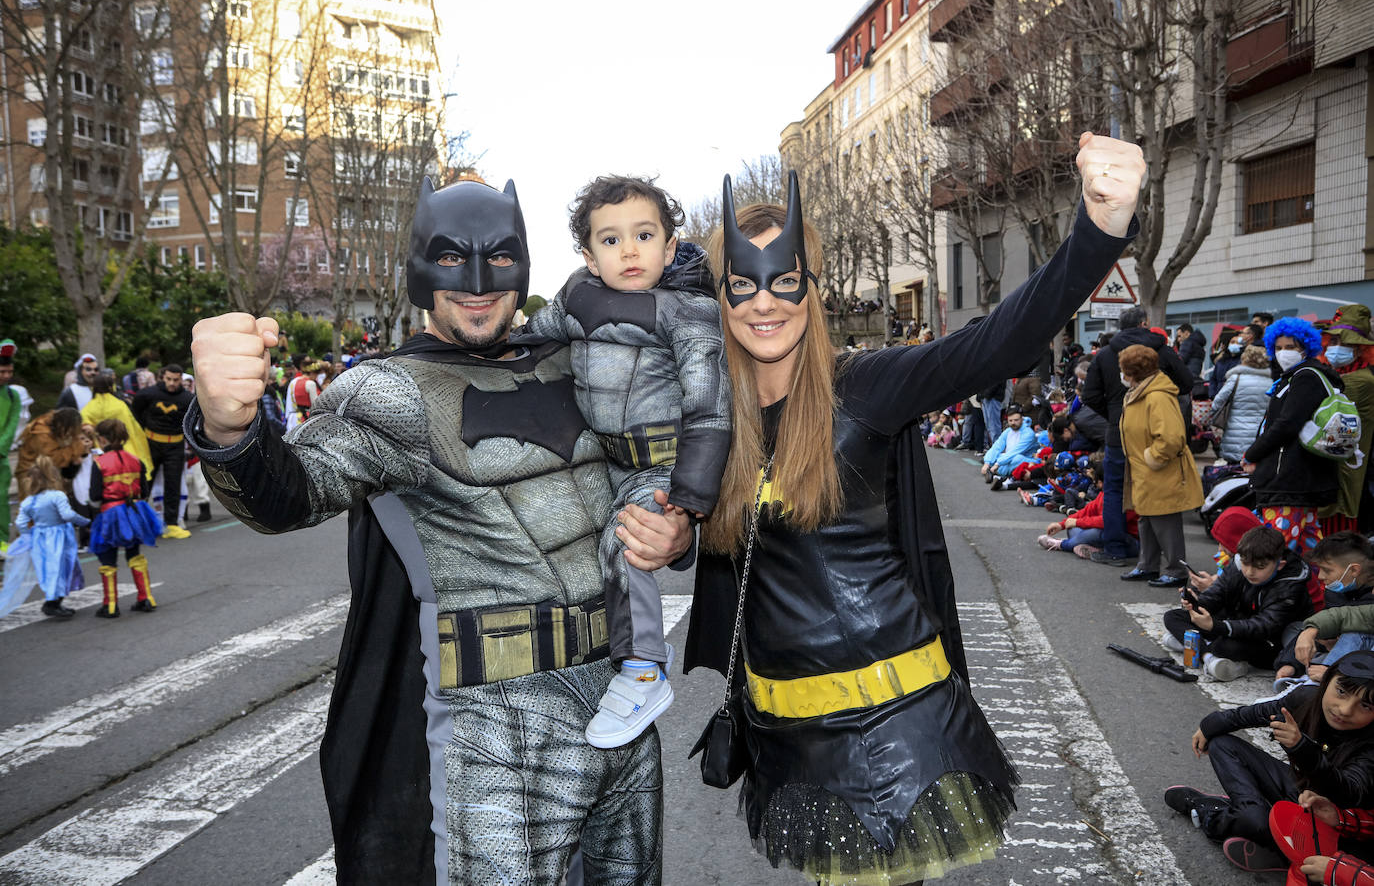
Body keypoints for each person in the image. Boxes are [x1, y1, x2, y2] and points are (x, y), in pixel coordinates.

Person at [186, 176, 692, 883]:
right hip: (498, 718)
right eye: (451, 260)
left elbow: (651, 470)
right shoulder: (392, 392)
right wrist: (229, 427)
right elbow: (289, 495)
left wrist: (675, 532)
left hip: (622, 696)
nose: (478, 283)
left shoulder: (577, 357)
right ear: (420, 265)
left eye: (497, 258)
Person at [685, 131, 1143, 884]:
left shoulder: (866, 385)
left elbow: (998, 342)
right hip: (783, 724)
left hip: (890, 717)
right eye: (743, 283)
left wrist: (1099, 228)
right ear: (721, 295)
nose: (764, 301)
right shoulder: (708, 415)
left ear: (814, 286)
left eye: (784, 280)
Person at [520, 174, 730, 749]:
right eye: (610, 240)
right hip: (599, 461)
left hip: (662, 464)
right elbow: (525, 347)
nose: (629, 250)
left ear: (669, 243)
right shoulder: (574, 299)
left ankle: (643, 669)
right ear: (588, 255)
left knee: (626, 540)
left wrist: (687, 504)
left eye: (643, 234)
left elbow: (710, 408)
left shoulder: (690, 314)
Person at [1165, 651, 1374, 874]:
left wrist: (1302, 748)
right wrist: (1210, 724)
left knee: (1256, 821)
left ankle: (1213, 814)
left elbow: (1347, 792)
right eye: (1341, 691)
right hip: (1300, 793)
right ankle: (1261, 827)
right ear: (1327, 679)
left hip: (1335, 828)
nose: (1345, 710)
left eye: (1366, 706)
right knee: (1222, 743)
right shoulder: (1307, 698)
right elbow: (1259, 713)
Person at [1081, 305, 1194, 568]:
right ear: (1144, 323)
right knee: (1155, 493)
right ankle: (1154, 555)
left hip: (1118, 433)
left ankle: (1117, 549)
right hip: (1153, 434)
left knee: (1115, 491)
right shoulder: (1163, 351)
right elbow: (1187, 383)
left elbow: (1090, 396)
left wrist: (1112, 414)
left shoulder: (1105, 354)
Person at [1243, 317, 1342, 557]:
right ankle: (1317, 592)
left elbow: (1287, 424)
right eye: (1278, 348)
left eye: (1291, 347)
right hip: (1298, 479)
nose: (1283, 353)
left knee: (1272, 551)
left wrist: (1253, 453)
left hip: (1290, 478)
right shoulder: (1296, 376)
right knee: (1308, 550)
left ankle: (1271, 594)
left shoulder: (1306, 377)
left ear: (1305, 347)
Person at [1163, 526, 1312, 681]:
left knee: (1224, 646)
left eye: (1259, 567)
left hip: (1271, 641)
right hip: (1237, 623)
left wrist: (1216, 626)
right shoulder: (1239, 564)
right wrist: (1196, 603)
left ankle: (1198, 647)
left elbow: (1264, 626)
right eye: (1245, 563)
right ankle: (1208, 657)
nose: (1249, 572)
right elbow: (1216, 595)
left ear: (1279, 565)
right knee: (1172, 617)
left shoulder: (1290, 586)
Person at [1117, 344, 1203, 586]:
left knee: (1165, 521)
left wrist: (1151, 458)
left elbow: (1171, 438)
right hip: (1146, 470)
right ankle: (1148, 565)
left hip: (1158, 469)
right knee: (1147, 518)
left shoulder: (1156, 396)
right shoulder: (1142, 392)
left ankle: (1176, 570)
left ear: (1132, 371)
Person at [87, 419, 162, 617]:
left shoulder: (99, 462)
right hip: (134, 512)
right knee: (134, 553)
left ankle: (110, 604)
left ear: (102, 439)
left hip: (111, 513)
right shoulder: (135, 460)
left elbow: (95, 495)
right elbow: (144, 490)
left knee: (108, 555)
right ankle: (146, 598)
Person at [0, 455, 89, 618]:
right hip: (59, 536)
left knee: (49, 569)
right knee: (62, 568)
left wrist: (28, 537)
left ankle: (53, 600)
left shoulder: (28, 501)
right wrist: (85, 521)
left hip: (40, 537)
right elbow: (67, 515)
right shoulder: (57, 496)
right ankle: (53, 602)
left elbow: (21, 522)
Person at [1282, 534, 1374, 685]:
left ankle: (1321, 682)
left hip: (1359, 657)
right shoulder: (1335, 590)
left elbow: (1348, 619)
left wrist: (1332, 669)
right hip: (1338, 650)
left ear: (1354, 570)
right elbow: (1331, 620)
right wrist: (1289, 663)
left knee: (1355, 633)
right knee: (1295, 630)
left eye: (1327, 570)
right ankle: (1318, 672)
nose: (1320, 576)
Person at [1318, 305, 1374, 535]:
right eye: (1333, 342)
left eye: (1345, 344)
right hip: (1337, 462)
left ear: (1361, 349)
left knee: (1336, 533)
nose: (1336, 349)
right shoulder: (1341, 374)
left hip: (1342, 467)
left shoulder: (1358, 380)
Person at [132, 365, 194, 539]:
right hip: (150, 444)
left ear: (181, 379)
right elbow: (135, 413)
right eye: (169, 379)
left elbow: (192, 421)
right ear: (162, 377)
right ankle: (137, 524)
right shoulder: (148, 394)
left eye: (176, 380)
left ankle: (172, 524)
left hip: (175, 445)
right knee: (145, 483)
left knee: (173, 484)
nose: (172, 383)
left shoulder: (187, 398)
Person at [1210, 344, 1272, 463]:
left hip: (1234, 437)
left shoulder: (1236, 379)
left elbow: (1217, 403)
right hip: (1259, 438)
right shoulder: (1271, 382)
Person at [0, 340, 33, 557]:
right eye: (2, 371)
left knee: (1, 499)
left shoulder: (12, 396)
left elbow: (12, 426)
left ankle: (2, 540)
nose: (6, 376)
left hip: (1, 455)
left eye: (9, 371)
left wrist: (1, 448)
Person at [81, 373, 151, 475]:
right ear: (111, 387)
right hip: (123, 451)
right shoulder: (120, 406)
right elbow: (132, 430)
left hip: (99, 453)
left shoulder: (88, 408)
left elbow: (84, 426)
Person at [15, 408, 85, 497]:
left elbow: (76, 438)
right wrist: (77, 449)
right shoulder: (41, 433)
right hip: (31, 473)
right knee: (31, 504)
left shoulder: (56, 425)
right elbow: (54, 459)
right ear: (63, 425)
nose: (70, 435)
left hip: (48, 472)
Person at [981, 405, 1037, 489]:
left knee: (1017, 458)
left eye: (1016, 420)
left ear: (1022, 418)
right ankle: (999, 472)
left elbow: (1015, 451)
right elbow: (997, 446)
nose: (1013, 423)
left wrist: (997, 464)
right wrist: (987, 462)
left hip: (1025, 459)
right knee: (996, 456)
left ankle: (997, 472)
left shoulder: (1029, 433)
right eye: (1010, 420)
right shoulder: (1007, 431)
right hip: (1008, 459)